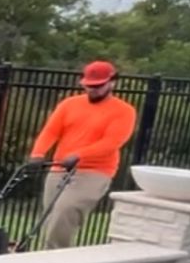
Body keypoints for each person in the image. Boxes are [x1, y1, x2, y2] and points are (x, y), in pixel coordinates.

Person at [27, 59, 138, 250]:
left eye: (98, 86)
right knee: (51, 216)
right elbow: (51, 131)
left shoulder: (124, 111)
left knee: (66, 210)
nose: (92, 90)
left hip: (95, 171)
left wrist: (80, 154)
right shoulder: (70, 104)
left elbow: (111, 143)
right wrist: (38, 152)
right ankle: (50, 256)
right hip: (60, 167)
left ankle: (55, 260)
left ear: (112, 83)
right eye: (88, 86)